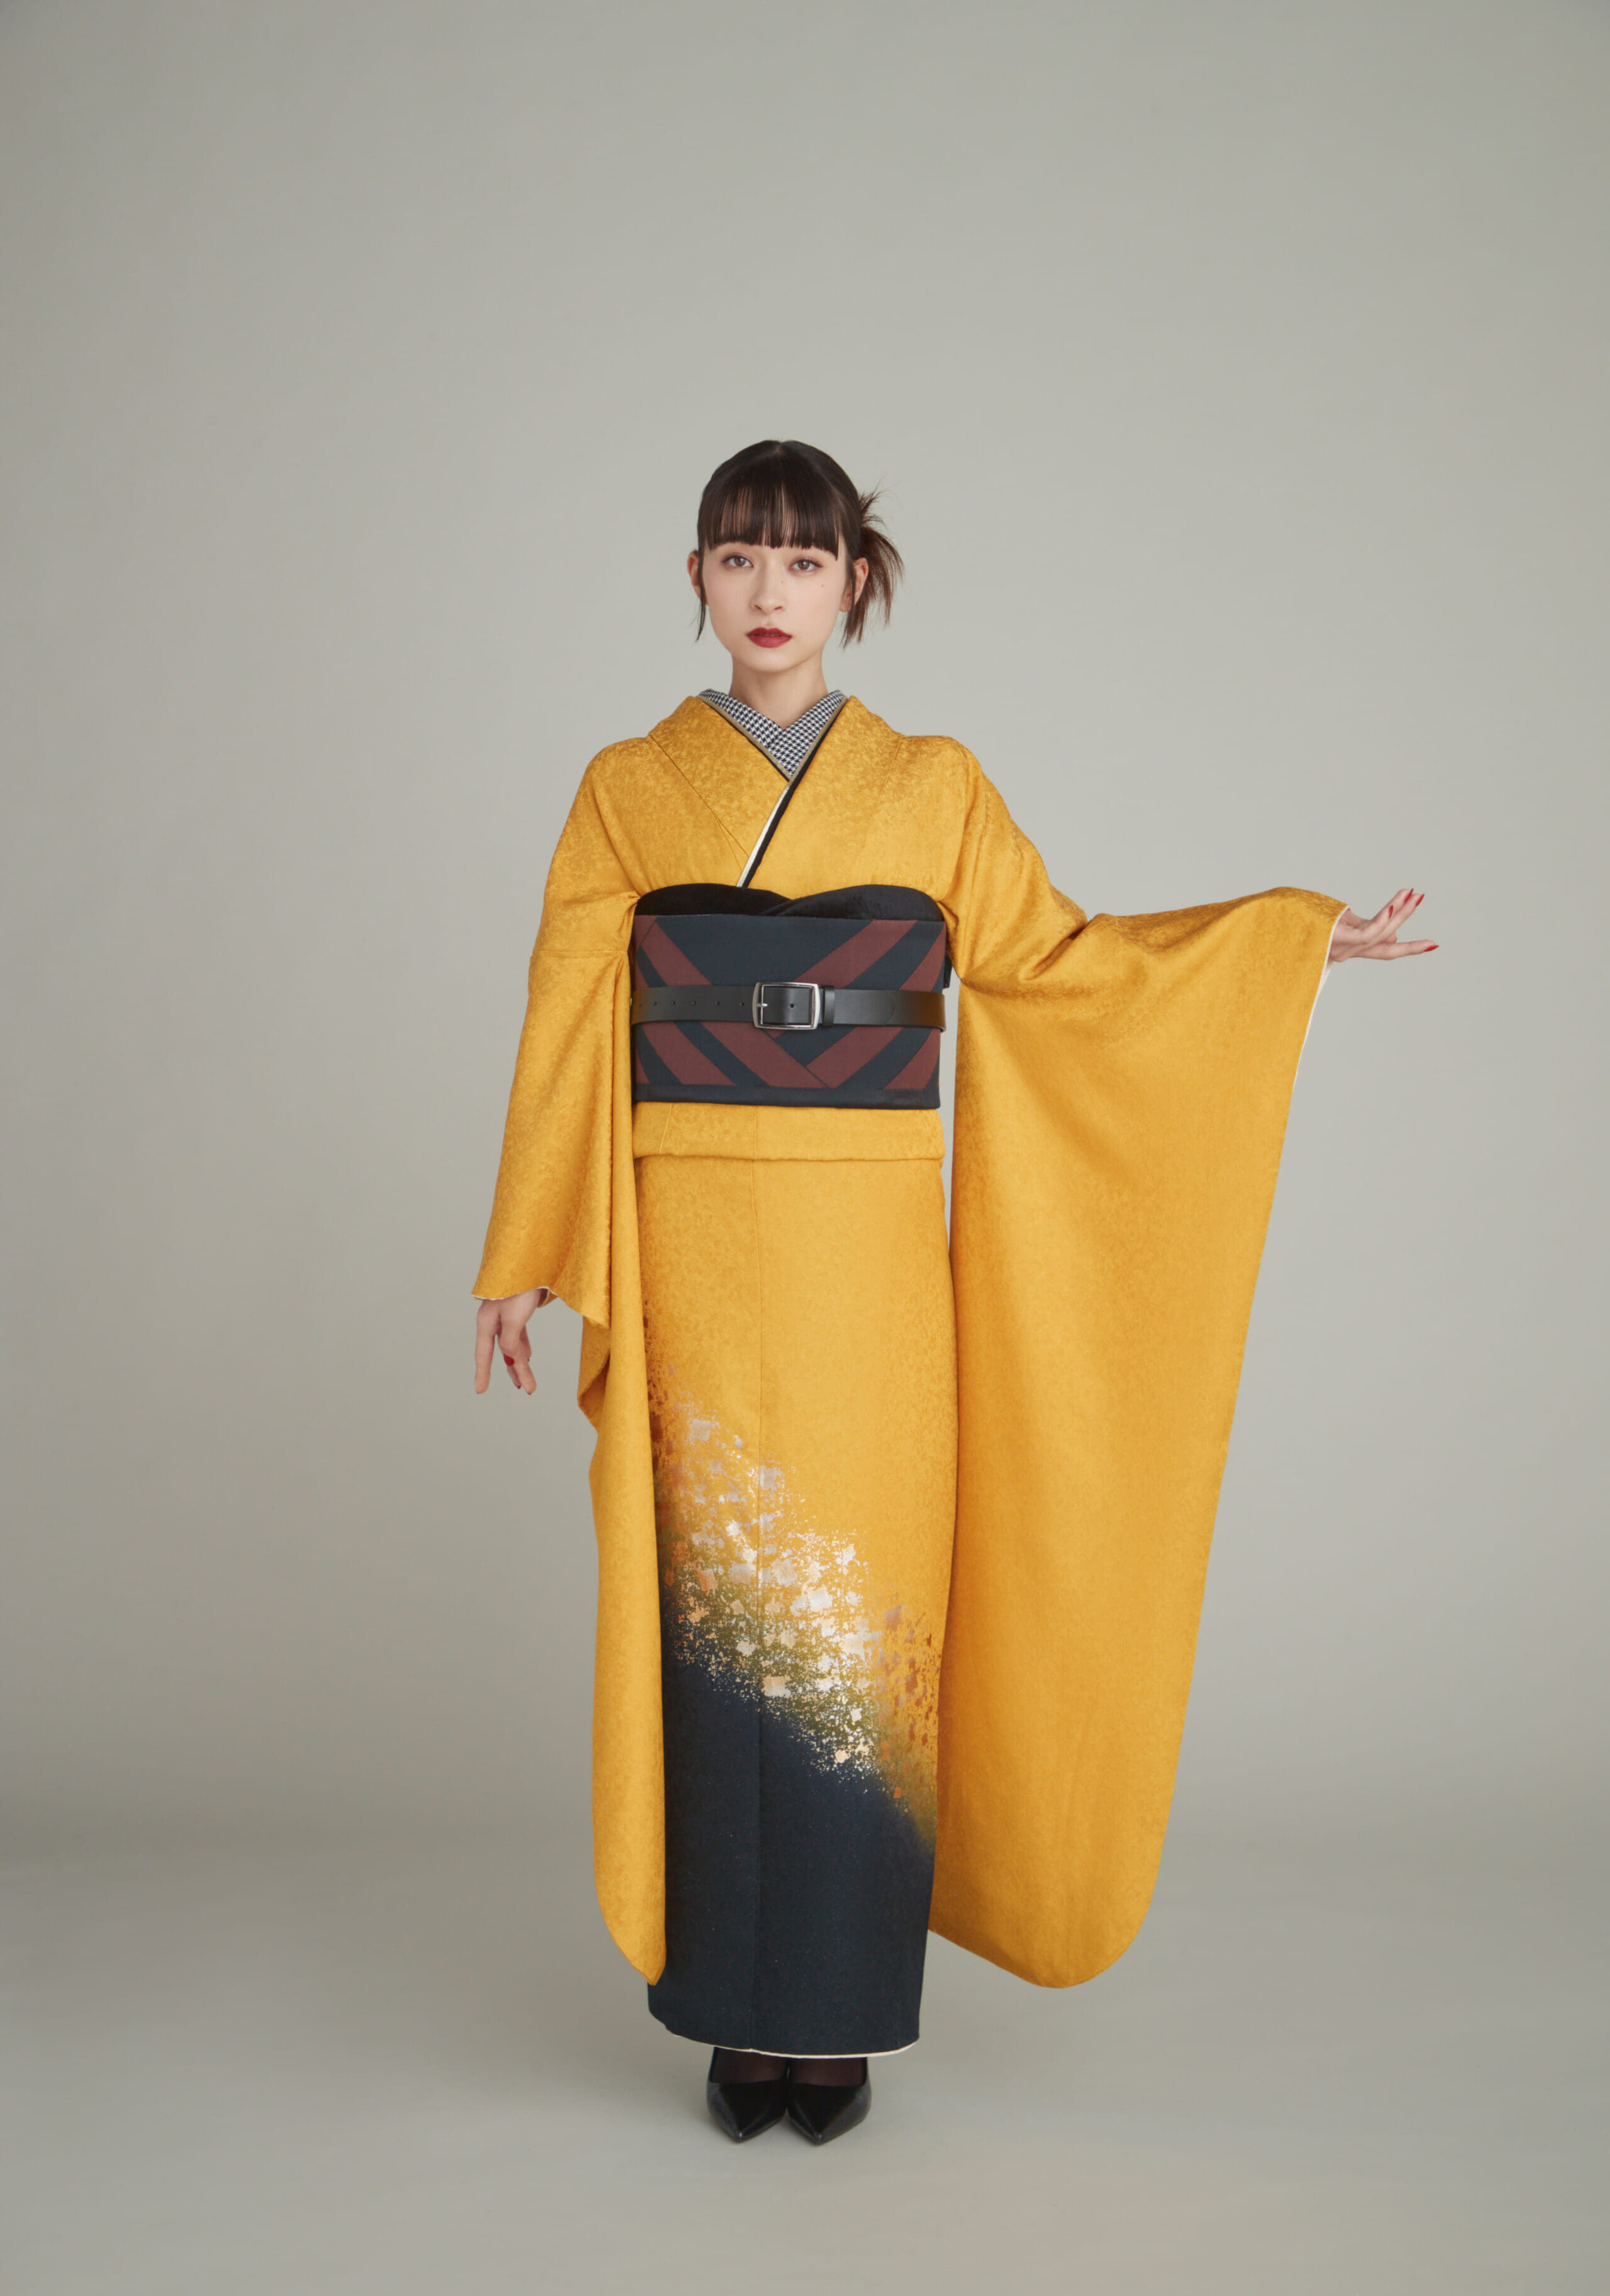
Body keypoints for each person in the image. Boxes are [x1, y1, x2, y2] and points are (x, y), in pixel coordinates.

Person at [471, 440, 1434, 2148]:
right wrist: (526, 1254)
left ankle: (832, 2021)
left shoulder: (934, 789)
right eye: (739, 559)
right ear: (696, 580)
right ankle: (736, 2018)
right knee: (722, 1619)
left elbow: (1060, 963)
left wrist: (1288, 944)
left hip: (868, 1260)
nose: (771, 593)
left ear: (857, 583)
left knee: (857, 1621)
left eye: (805, 561)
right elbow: (565, 1013)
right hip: (692, 1245)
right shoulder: (629, 787)